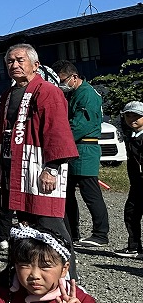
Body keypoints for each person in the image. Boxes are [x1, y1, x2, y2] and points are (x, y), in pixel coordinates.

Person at [0, 45, 78, 267]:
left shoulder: (48, 91)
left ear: (36, 65)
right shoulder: (8, 94)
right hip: (15, 163)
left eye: (20, 60)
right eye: (10, 61)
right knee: (26, 223)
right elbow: (2, 131)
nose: (14, 65)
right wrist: (0, 165)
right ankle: (32, 274)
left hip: (39, 163)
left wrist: (53, 167)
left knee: (49, 221)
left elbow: (56, 129)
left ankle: (68, 276)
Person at [53, 61, 110, 248]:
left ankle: (100, 233)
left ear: (74, 77)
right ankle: (71, 231)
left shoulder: (86, 94)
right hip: (74, 149)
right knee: (67, 194)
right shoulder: (75, 93)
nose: (61, 84)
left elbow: (80, 125)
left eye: (63, 80)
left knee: (90, 193)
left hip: (85, 148)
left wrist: (58, 137)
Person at [114, 101, 143, 258]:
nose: (132, 119)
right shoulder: (131, 135)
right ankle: (134, 246)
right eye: (128, 115)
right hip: (136, 183)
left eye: (137, 116)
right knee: (131, 213)